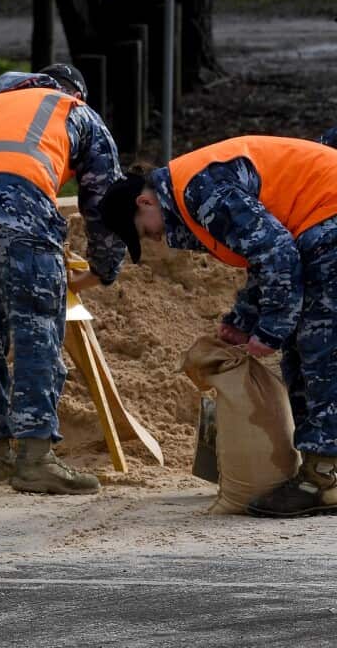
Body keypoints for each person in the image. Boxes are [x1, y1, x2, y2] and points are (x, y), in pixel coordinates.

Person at [98, 136, 337, 517]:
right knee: (306, 346)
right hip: (319, 221)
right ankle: (320, 468)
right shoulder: (190, 196)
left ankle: (324, 477)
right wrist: (242, 322)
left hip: (328, 217)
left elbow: (278, 254)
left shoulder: (199, 192)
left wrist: (270, 330)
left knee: (322, 347)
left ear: (145, 202)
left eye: (144, 231)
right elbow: (262, 259)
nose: (154, 240)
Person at [0, 64, 125, 495]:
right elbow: (104, 200)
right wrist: (103, 268)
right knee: (36, 325)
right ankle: (36, 458)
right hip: (19, 200)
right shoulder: (71, 109)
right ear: (75, 92)